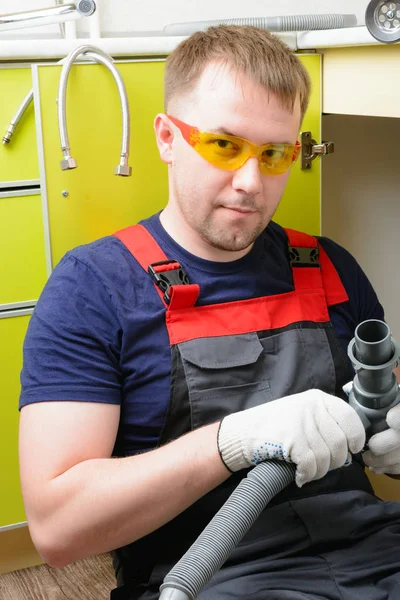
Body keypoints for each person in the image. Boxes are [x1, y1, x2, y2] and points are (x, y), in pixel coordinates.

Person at [19, 25, 400, 600]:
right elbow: (58, 528)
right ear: (168, 138)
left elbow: (388, 393)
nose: (252, 183)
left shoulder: (328, 266)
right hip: (211, 575)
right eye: (224, 145)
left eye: (274, 154)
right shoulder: (93, 288)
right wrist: (232, 442)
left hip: (372, 548)